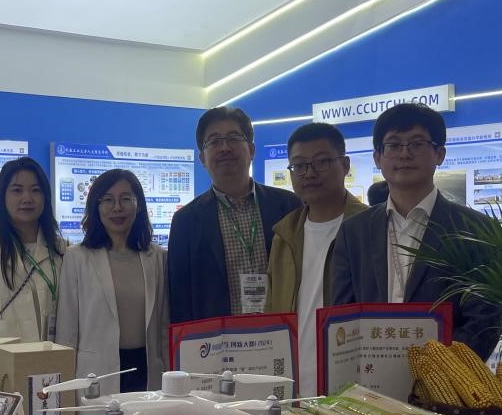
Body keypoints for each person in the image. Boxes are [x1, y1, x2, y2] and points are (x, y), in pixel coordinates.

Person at [331, 103, 502, 362]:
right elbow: (342, 314)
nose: (404, 154)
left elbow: (484, 320)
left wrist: (438, 373)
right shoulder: (354, 230)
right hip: (369, 376)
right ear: (378, 158)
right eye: (393, 145)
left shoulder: (476, 229)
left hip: (445, 379)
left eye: (417, 143)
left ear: (439, 154)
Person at [168, 106, 300, 323]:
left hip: (282, 334)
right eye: (214, 141)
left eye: (233, 138)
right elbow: (180, 298)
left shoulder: (288, 206)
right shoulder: (186, 221)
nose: (224, 148)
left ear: (251, 149)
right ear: (202, 158)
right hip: (217, 340)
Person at [265, 123, 368, 396]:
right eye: (299, 165)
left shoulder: (370, 227)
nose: (309, 173)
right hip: (292, 384)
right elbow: (272, 310)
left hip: (352, 382)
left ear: (345, 165)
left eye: (322, 162)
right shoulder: (283, 235)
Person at [56, 169, 168, 397]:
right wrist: (65, 390)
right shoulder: (77, 257)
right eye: (107, 200)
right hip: (96, 374)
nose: (117, 207)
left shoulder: (158, 258)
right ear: (95, 207)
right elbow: (67, 332)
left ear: (138, 205)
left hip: (148, 369)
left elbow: (165, 326)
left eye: (126, 199)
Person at [0, 157, 67, 341]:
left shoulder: (63, 251)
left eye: (36, 190)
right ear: (2, 196)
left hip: (53, 357)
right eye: (17, 190)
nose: (27, 198)